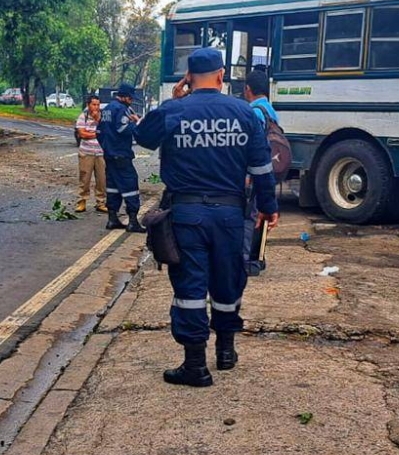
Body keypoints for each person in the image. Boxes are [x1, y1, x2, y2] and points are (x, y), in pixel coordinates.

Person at [135, 48, 279, 388]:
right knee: (229, 282)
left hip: (186, 216)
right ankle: (226, 352)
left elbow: (142, 138)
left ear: (188, 77)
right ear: (221, 74)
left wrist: (173, 100)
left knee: (190, 287)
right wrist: (269, 207)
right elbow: (261, 167)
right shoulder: (244, 113)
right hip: (230, 215)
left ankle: (195, 365)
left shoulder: (174, 110)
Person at [242, 69, 279, 276]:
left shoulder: (254, 112)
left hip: (255, 171)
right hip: (270, 166)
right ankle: (258, 258)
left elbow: (252, 147)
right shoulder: (269, 110)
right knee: (259, 216)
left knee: (250, 216)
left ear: (248, 89)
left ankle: (249, 261)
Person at [98, 83, 145, 233]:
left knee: (113, 187)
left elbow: (99, 132)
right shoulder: (121, 109)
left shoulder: (107, 109)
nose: (131, 101)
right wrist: (136, 122)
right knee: (130, 185)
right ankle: (132, 222)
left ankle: (112, 219)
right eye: (131, 98)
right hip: (121, 155)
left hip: (109, 155)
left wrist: (107, 147)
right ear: (125, 96)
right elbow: (123, 128)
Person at [75, 95, 107, 214]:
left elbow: (106, 131)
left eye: (98, 105)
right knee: (85, 178)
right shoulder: (83, 116)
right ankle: (82, 201)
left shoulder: (103, 118)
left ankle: (101, 202)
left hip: (101, 153)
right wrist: (97, 134)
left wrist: (97, 120)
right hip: (86, 152)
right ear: (88, 105)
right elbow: (82, 134)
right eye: (94, 104)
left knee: (102, 179)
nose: (96, 107)